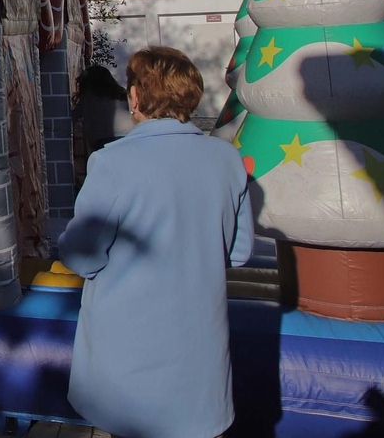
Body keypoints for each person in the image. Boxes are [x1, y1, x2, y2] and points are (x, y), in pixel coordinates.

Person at [59, 47, 254, 438]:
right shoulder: (226, 159)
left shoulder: (112, 162)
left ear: (135, 97)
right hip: (201, 353)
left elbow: (81, 257)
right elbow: (239, 251)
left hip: (130, 354)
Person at [77, 63, 134, 152]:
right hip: (129, 135)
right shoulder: (121, 95)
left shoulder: (88, 99)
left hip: (102, 140)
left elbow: (72, 116)